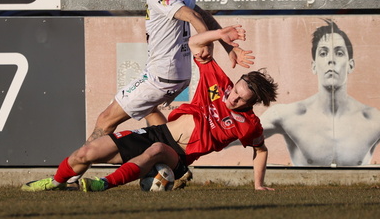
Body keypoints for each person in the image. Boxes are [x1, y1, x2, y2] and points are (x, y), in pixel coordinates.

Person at [67, 0, 254, 187]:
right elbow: (202, 13)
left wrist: (204, 42)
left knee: (106, 119)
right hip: (175, 76)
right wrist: (228, 48)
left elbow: (193, 17)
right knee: (148, 110)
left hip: (160, 76)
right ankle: (175, 163)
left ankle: (72, 175)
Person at [21, 26, 278, 192]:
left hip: (178, 157)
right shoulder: (220, 83)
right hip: (157, 133)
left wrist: (258, 184)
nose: (232, 99)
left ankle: (102, 184)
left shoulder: (249, 124)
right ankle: (55, 183)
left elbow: (261, 149)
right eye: (236, 91)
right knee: (85, 152)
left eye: (240, 99)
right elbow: (194, 43)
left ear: (251, 102)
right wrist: (220, 34)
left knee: (156, 151)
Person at [261, 19, 380, 166]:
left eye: (339, 53)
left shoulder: (373, 120)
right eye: (323, 53)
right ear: (314, 66)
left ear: (350, 65)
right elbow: (231, 136)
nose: (331, 60)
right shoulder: (287, 115)